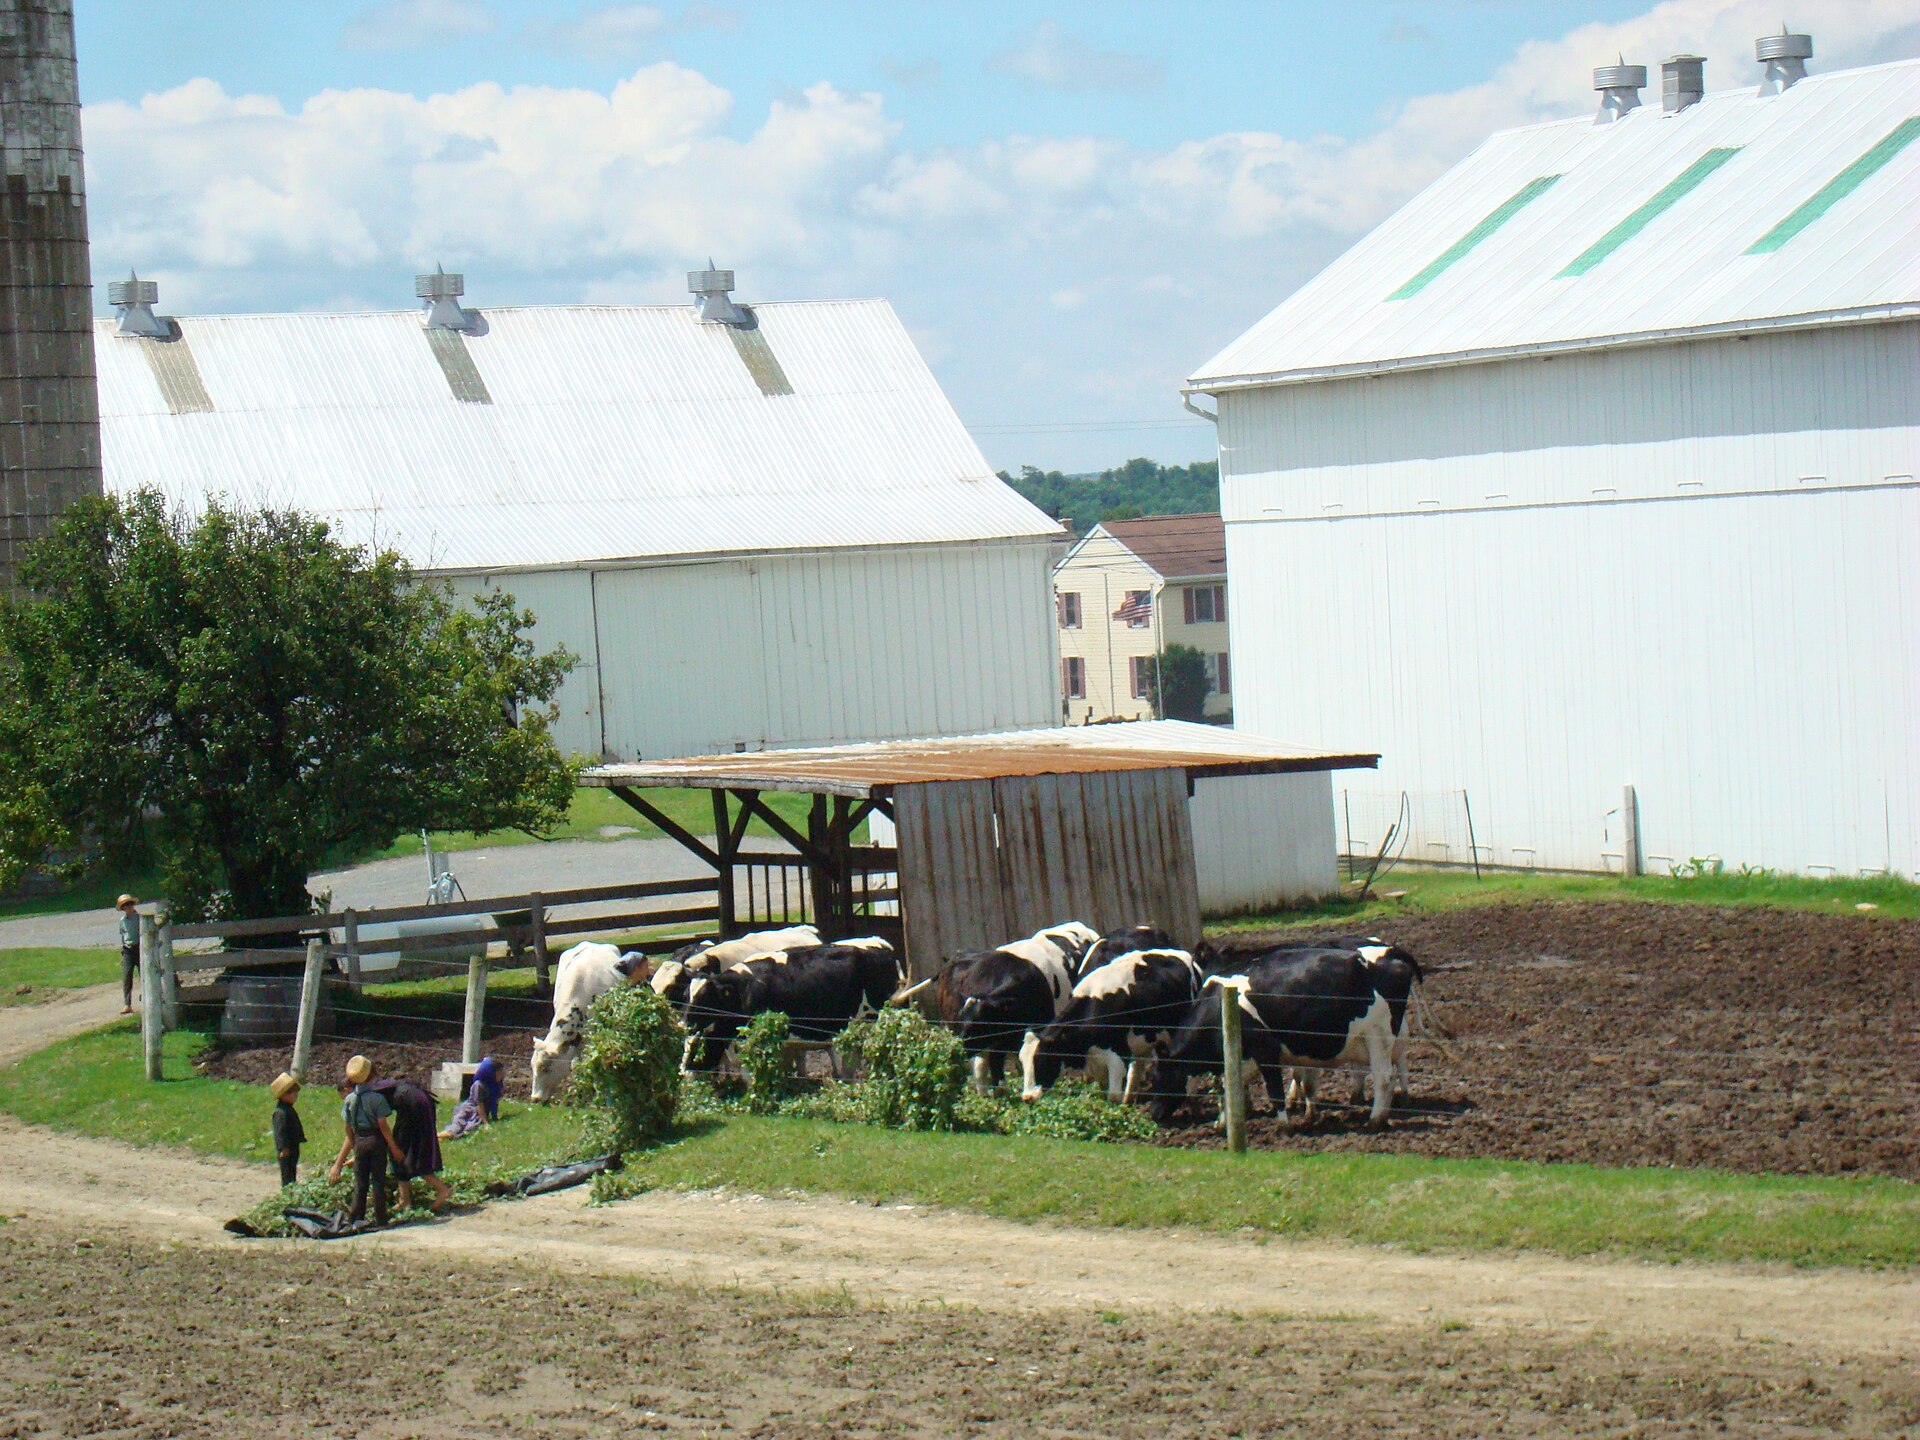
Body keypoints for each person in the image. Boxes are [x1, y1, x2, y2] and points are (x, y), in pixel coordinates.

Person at [328, 1055, 404, 1227]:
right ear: (372, 1076)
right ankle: (380, 1219)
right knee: (377, 1180)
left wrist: (355, 1144)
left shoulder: (349, 1099)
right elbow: (383, 1126)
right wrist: (394, 1148)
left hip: (360, 1141)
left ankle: (356, 1218)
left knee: (360, 1181)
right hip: (376, 1140)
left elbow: (348, 1128)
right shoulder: (377, 1099)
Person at [372, 1074, 451, 1213]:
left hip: (414, 1107)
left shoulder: (371, 1095)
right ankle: (405, 1199)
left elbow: (380, 1125)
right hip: (421, 1103)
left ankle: (439, 1191)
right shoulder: (384, 1086)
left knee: (402, 1154)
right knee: (410, 1152)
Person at [439, 1055, 501, 1140]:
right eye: (499, 1073)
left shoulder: (494, 1085)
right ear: (490, 1073)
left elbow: (495, 1101)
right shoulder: (479, 1085)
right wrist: (486, 1123)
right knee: (457, 1129)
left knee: (467, 1131)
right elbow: (479, 1104)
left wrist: (495, 1117)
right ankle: (434, 1136)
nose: (501, 1075)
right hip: (469, 1111)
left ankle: (440, 1139)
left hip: (478, 1115)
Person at [269, 1072, 305, 1187]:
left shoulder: (288, 1109)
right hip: (286, 1150)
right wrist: (282, 1148)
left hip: (293, 1147)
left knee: (292, 1171)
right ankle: (287, 1192)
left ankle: (292, 1189)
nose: (296, 1095)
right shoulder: (280, 1112)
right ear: (284, 1095)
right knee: (287, 1174)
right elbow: (280, 1132)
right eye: (293, 1093)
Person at [116, 894, 140, 1015]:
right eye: (125, 906)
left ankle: (147, 998)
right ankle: (127, 1004)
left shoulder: (139, 918)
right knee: (127, 977)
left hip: (139, 948)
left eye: (129, 905)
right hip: (128, 950)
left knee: (144, 975)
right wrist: (123, 954)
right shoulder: (122, 921)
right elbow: (123, 936)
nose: (128, 908)